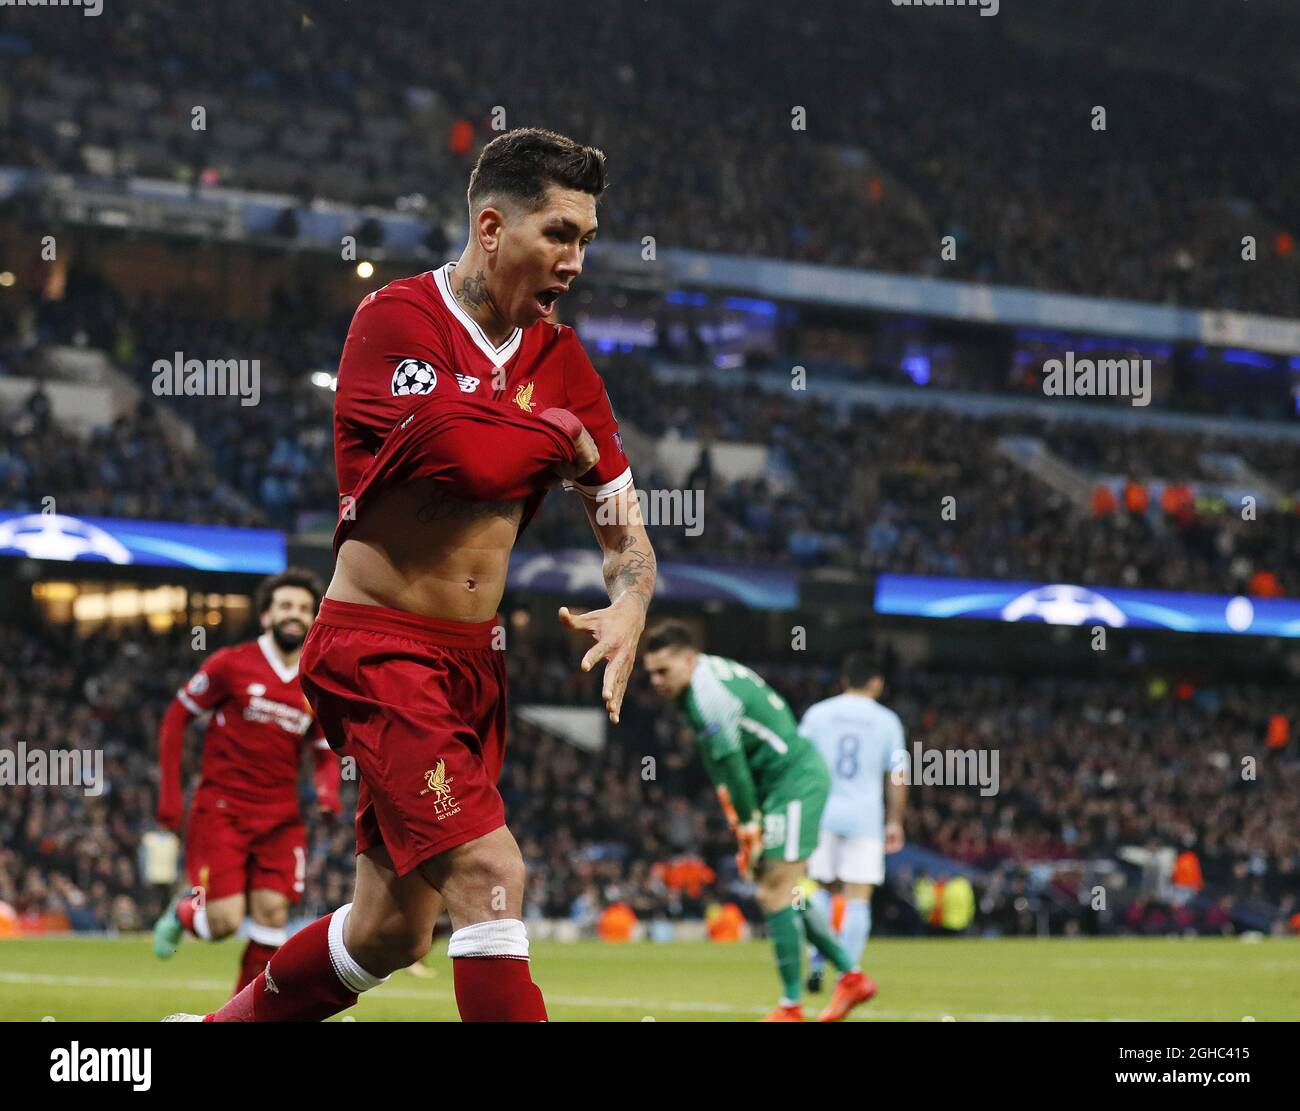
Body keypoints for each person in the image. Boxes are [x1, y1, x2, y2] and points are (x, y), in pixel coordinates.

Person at [174, 128, 656, 1022]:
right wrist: (559, 437)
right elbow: (460, 460)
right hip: (375, 645)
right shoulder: (394, 321)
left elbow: (625, 527)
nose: (576, 260)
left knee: (391, 930)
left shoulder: (563, 359)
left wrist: (632, 596)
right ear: (490, 226)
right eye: (559, 233)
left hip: (474, 663)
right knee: (492, 871)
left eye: (587, 239)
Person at [641, 621, 874, 1022]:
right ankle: (851, 976)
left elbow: (733, 772)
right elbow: (719, 765)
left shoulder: (707, 697)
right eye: (651, 674)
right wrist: (741, 826)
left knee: (772, 893)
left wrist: (749, 829)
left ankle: (791, 1007)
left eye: (664, 671)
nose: (657, 681)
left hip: (793, 782)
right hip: (777, 788)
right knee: (787, 892)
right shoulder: (700, 680)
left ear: (688, 659)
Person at [153, 570, 340, 995]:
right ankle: (186, 913)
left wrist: (328, 793)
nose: (295, 616)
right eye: (286, 606)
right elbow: (176, 717)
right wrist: (169, 795)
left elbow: (324, 748)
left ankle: (244, 1013)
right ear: (266, 616)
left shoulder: (316, 681)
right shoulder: (229, 664)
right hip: (222, 811)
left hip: (280, 818)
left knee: (273, 915)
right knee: (223, 922)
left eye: (304, 609)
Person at [799, 651, 907, 993]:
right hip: (865, 818)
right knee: (858, 896)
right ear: (877, 683)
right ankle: (849, 975)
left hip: (823, 814)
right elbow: (898, 773)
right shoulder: (887, 720)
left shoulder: (819, 714)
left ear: (844, 680)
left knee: (821, 889)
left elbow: (801, 764)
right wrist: (895, 821)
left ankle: (817, 956)